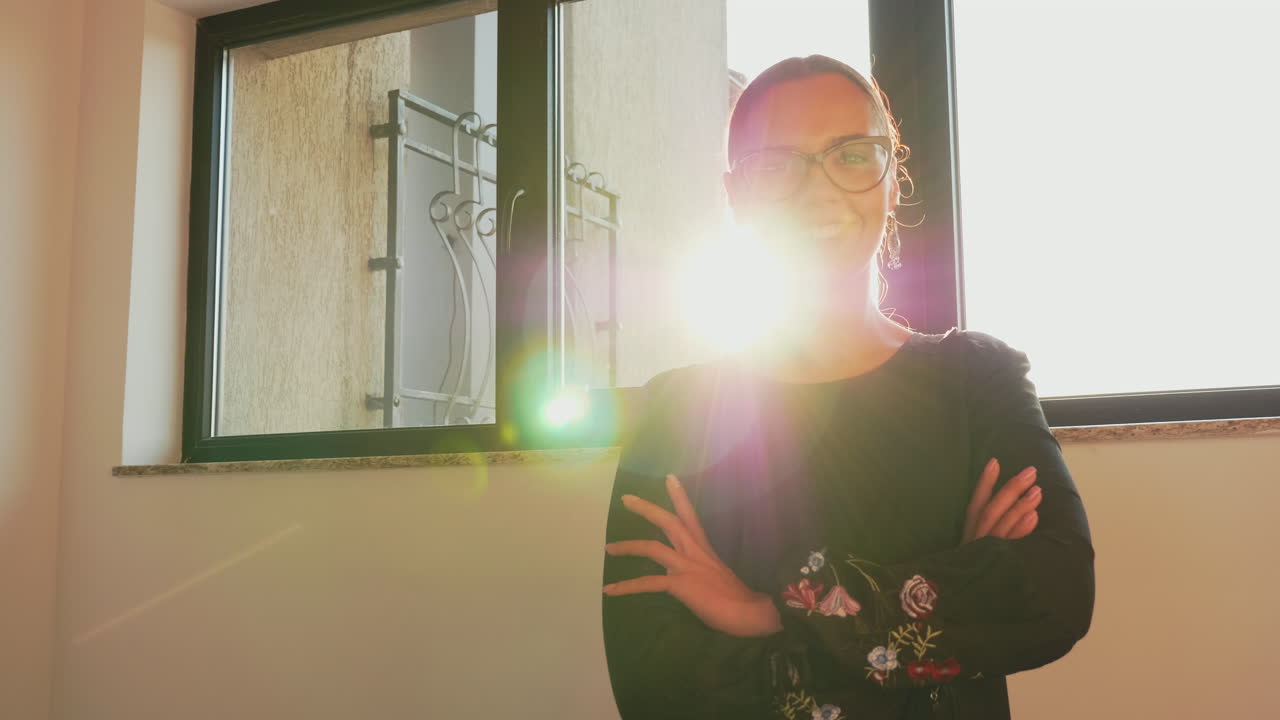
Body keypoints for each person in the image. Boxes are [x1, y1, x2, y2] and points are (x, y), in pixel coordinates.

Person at [600, 55, 1094, 720]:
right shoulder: (678, 411)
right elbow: (660, 689)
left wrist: (766, 611)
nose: (819, 188)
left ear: (892, 178)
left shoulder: (980, 379)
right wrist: (953, 590)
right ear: (736, 194)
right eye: (776, 164)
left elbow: (1055, 595)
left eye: (852, 155)